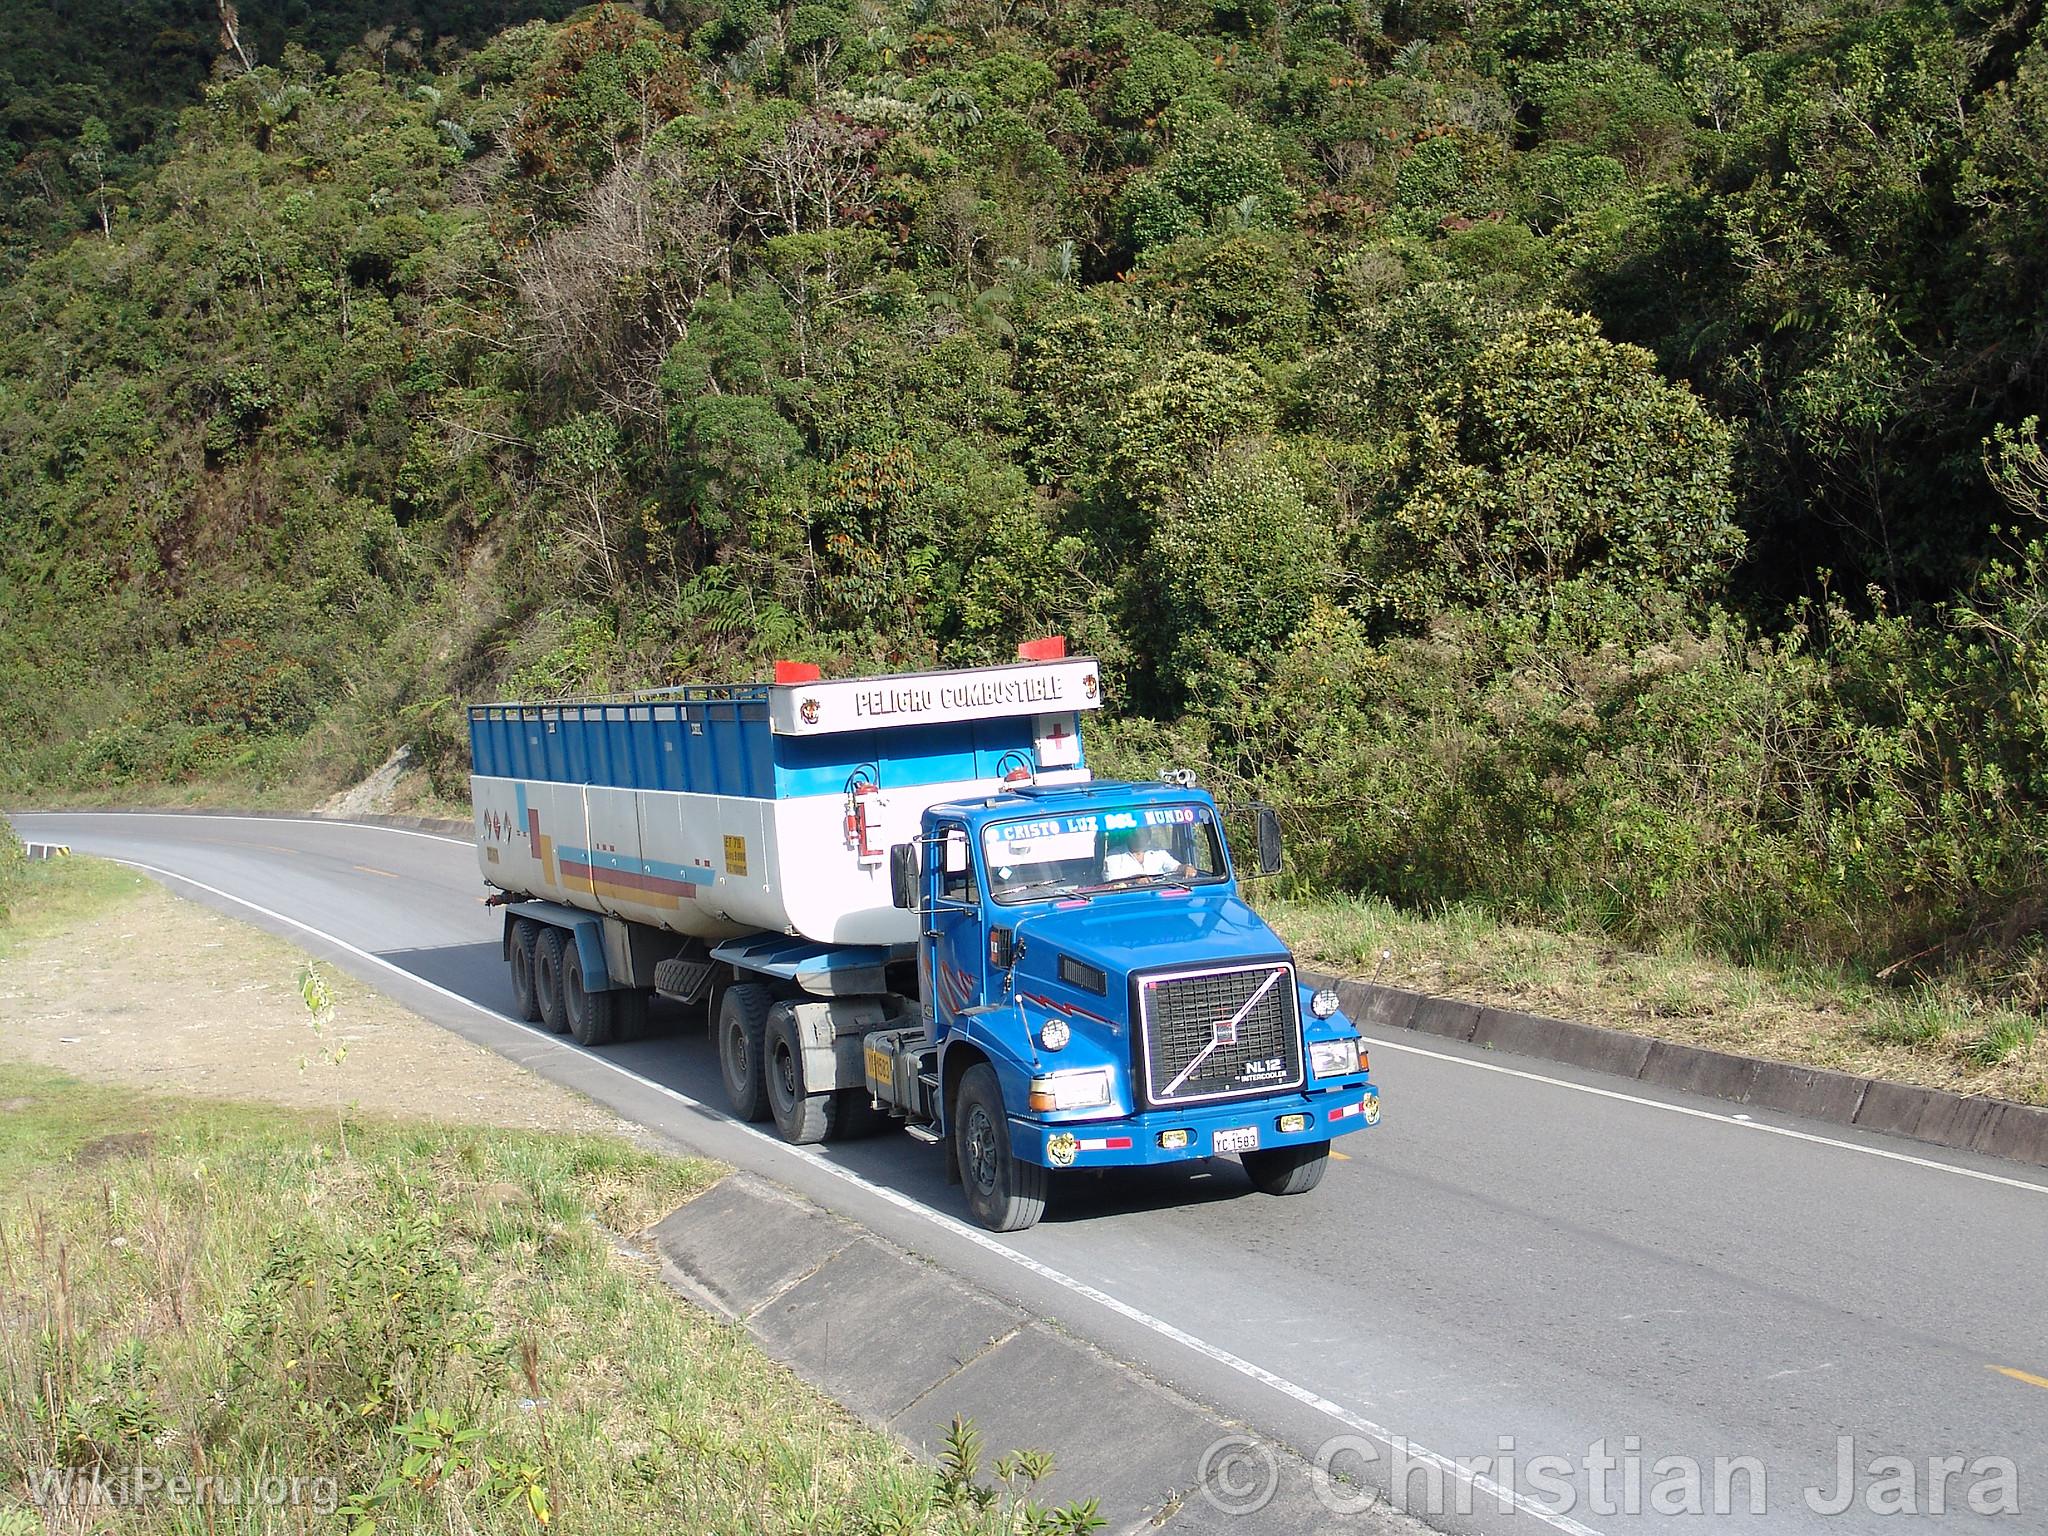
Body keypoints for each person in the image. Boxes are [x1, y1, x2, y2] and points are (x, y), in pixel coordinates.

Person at [1101, 823, 1193, 882]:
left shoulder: (1158, 852)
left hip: (1159, 898)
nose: (1140, 836)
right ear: (1129, 836)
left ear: (1149, 835)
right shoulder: (1114, 856)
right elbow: (1110, 882)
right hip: (1129, 902)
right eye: (1136, 833)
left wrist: (1185, 868)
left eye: (1144, 832)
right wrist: (1135, 880)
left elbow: (1174, 867)